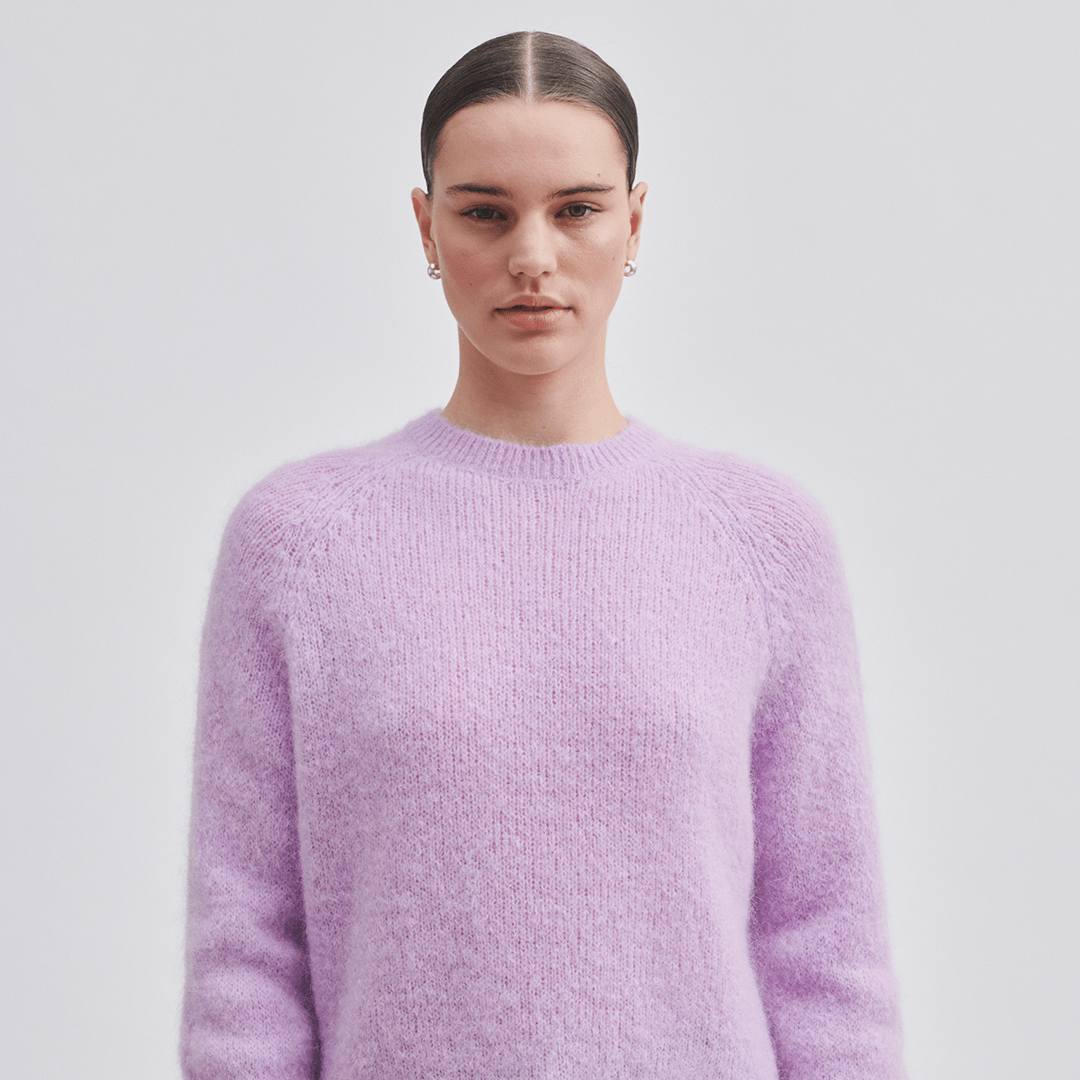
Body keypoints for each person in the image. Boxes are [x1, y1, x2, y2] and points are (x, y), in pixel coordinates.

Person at [180, 30, 906, 1080]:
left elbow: (826, 942)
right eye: (485, 212)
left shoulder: (764, 541)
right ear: (426, 226)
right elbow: (246, 951)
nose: (533, 255)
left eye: (576, 210)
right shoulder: (297, 542)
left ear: (634, 221)